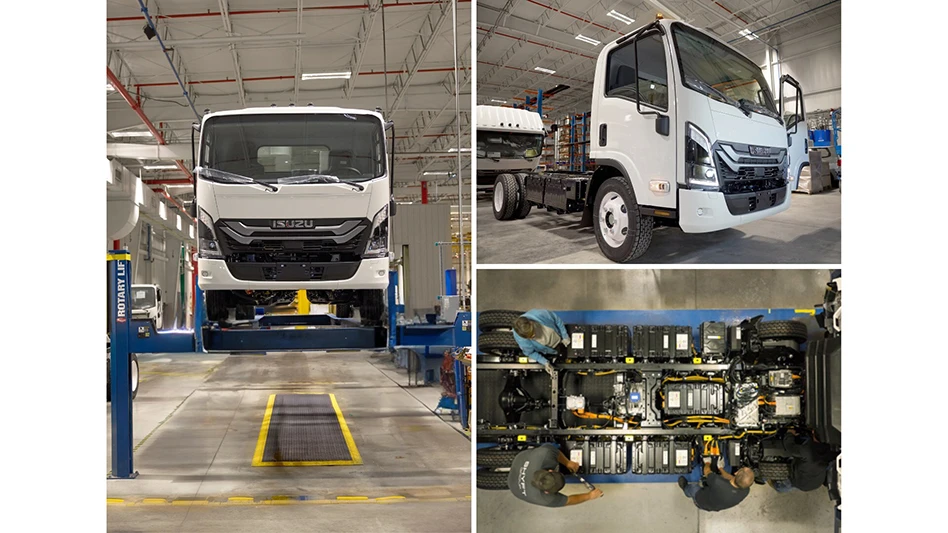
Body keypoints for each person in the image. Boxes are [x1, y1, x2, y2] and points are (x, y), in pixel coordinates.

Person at [507, 444, 603, 507]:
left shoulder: (544, 455)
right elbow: (568, 500)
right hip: (515, 488)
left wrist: (568, 463)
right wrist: (589, 496)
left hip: (520, 458)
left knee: (547, 448)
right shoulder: (545, 499)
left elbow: (554, 451)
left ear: (550, 470)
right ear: (547, 492)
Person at [770, 429, 838, 493]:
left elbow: (790, 447)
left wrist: (789, 433)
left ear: (813, 432)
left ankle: (775, 485)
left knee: (781, 487)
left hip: (802, 483)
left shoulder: (807, 450)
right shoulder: (831, 450)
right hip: (817, 483)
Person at [678, 457, 754, 512]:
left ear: (736, 473)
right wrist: (720, 468)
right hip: (716, 505)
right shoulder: (746, 490)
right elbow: (733, 479)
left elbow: (707, 471)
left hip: (701, 501)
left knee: (693, 488)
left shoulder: (717, 482)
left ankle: (686, 489)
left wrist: (707, 462)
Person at [512, 310, 570, 374]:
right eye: (530, 337)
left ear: (532, 323)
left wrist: (565, 336)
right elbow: (530, 353)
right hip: (553, 349)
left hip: (560, 336)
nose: (533, 337)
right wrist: (544, 362)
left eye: (533, 333)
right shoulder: (522, 340)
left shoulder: (539, 314)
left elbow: (556, 319)